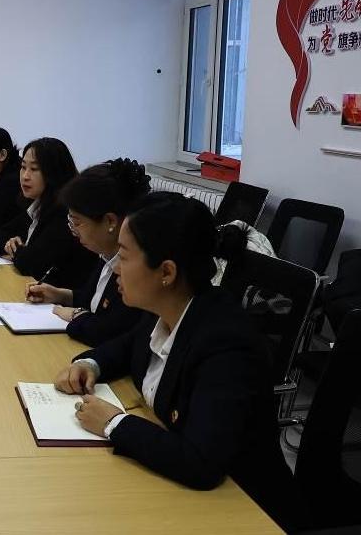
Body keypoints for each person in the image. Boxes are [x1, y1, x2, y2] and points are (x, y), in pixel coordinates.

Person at [53, 192, 295, 530]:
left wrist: (114, 424)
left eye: (124, 256)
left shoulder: (226, 344)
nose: (116, 268)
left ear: (166, 272)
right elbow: (126, 347)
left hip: (245, 510)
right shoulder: (167, 308)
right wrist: (90, 364)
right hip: (175, 488)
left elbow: (201, 463)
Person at [26, 158, 151, 346]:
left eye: (77, 222)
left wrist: (75, 315)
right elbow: (91, 299)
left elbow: (109, 330)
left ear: (110, 221)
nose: (73, 231)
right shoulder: (105, 253)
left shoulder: (133, 268)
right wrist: (60, 295)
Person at [0, 137, 96, 289]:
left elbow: (29, 263)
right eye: (23, 167)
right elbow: (0, 234)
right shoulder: (37, 204)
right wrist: (14, 246)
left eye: (34, 169)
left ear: (54, 173)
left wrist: (17, 249)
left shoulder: (64, 213)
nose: (25, 176)